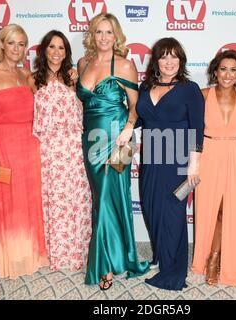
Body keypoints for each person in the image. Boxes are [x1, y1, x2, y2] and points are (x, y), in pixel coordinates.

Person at [76, 13, 149, 290]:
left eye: (109, 32)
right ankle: (117, 254)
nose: (104, 38)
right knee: (101, 198)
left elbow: (136, 106)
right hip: (91, 141)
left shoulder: (126, 65)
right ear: (92, 35)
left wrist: (128, 130)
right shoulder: (83, 63)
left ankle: (105, 264)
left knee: (109, 195)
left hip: (120, 140)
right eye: (98, 32)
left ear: (116, 36)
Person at [0, 24, 49, 279]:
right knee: (7, 202)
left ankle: (33, 255)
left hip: (31, 144)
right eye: (12, 43)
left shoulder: (28, 76)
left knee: (30, 201)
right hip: (4, 146)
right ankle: (13, 260)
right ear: (2, 45)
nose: (16, 49)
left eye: (21, 44)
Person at [136, 37, 204, 290]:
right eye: (164, 56)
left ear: (181, 60)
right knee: (152, 209)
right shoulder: (146, 87)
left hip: (178, 157)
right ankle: (161, 257)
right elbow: (142, 118)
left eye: (174, 56)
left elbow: (198, 128)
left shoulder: (190, 88)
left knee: (173, 214)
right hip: (151, 155)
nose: (169, 61)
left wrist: (194, 165)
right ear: (157, 61)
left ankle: (174, 269)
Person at [30, 30, 92, 271]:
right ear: (44, 50)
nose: (56, 52)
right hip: (46, 150)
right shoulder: (33, 79)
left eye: (61, 48)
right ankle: (54, 253)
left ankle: (77, 253)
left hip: (73, 148)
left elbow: (87, 107)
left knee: (76, 200)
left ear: (67, 53)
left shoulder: (74, 77)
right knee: (53, 201)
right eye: (52, 47)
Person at [191, 50, 236, 286]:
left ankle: (221, 259)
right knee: (210, 210)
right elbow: (190, 128)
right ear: (215, 71)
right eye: (223, 69)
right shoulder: (203, 95)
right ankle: (211, 259)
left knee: (230, 211)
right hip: (210, 154)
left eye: (233, 70)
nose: (227, 74)